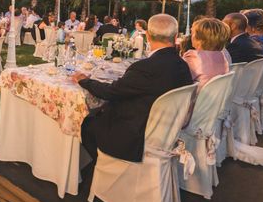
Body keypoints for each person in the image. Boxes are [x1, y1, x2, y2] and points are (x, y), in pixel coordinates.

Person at [72, 14, 193, 162]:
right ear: (175, 38)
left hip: (135, 139)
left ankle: (110, 167)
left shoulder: (144, 68)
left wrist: (85, 81)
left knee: (86, 125)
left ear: (147, 36)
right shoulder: (183, 66)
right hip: (167, 134)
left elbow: (110, 92)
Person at [182, 18, 231, 91]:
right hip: (214, 99)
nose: (190, 36)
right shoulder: (222, 56)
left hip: (196, 99)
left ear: (200, 39)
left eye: (192, 33)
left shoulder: (193, 56)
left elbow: (179, 79)